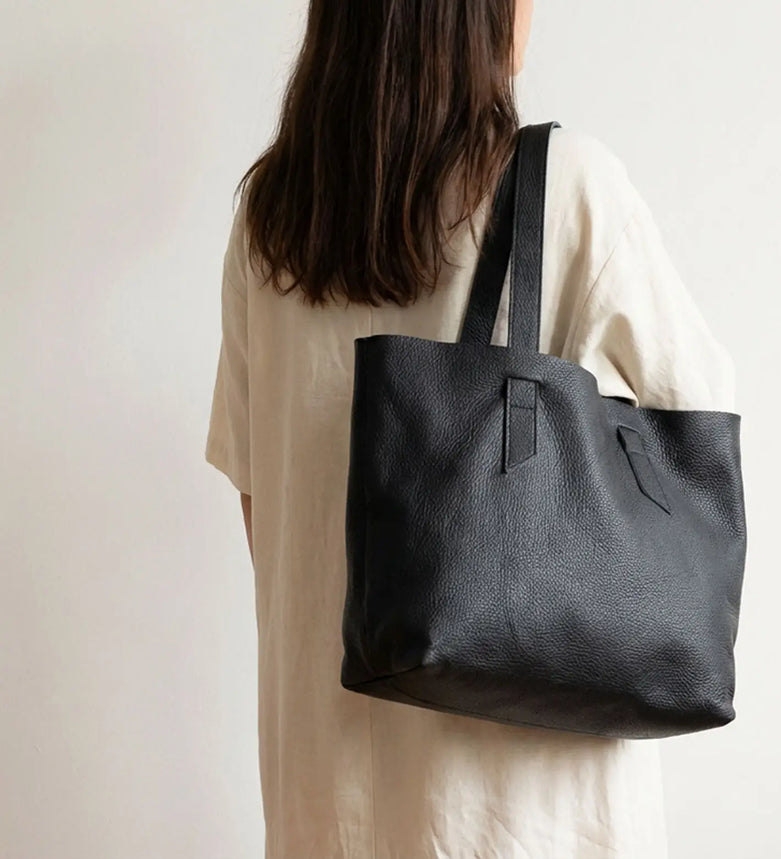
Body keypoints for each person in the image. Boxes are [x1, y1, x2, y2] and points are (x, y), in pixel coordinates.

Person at [203, 1, 738, 856]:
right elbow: (696, 446)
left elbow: (263, 508)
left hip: (324, 803)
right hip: (521, 813)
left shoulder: (270, 222)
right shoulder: (564, 188)